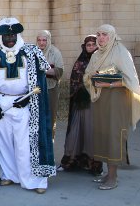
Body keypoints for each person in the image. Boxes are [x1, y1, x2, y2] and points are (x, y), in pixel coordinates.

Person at [0, 18, 55, 194]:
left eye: (13, 34)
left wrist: (28, 99)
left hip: (25, 103)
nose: (10, 39)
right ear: (1, 36)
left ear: (18, 34)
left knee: (26, 143)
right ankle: (8, 175)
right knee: (4, 142)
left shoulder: (32, 51)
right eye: (6, 35)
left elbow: (40, 78)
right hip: (2, 102)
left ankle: (34, 180)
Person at [83, 24, 140, 190]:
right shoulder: (97, 54)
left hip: (117, 100)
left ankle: (113, 177)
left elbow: (130, 79)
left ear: (112, 36)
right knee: (102, 134)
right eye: (99, 34)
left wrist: (109, 83)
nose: (101, 38)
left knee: (113, 135)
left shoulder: (121, 52)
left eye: (105, 34)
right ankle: (107, 173)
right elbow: (88, 75)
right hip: (100, 100)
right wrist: (93, 77)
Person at [60, 35, 102, 175]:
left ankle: (92, 164)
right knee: (76, 131)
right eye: (88, 45)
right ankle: (73, 161)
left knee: (91, 132)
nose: (91, 47)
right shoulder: (80, 61)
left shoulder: (101, 60)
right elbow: (74, 79)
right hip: (80, 103)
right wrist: (80, 91)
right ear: (84, 46)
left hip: (95, 103)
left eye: (93, 44)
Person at [37, 30, 64, 139]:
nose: (41, 43)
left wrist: (42, 70)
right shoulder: (33, 52)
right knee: (37, 115)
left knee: (50, 115)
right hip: (36, 89)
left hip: (51, 88)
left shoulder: (55, 52)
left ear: (48, 40)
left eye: (44, 40)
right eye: (39, 40)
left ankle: (49, 140)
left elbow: (59, 71)